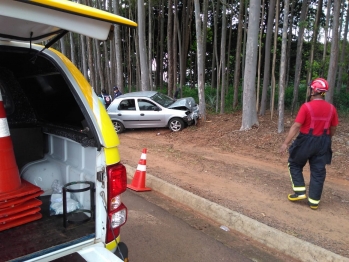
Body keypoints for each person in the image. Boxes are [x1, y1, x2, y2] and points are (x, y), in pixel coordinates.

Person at [279, 78, 339, 210]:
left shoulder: (306, 107)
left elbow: (296, 126)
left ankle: (300, 191)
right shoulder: (331, 108)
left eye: (311, 88)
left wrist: (285, 143)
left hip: (306, 141)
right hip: (323, 141)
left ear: (314, 90)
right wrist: (327, 138)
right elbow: (333, 128)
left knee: (294, 163)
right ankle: (314, 201)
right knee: (318, 171)